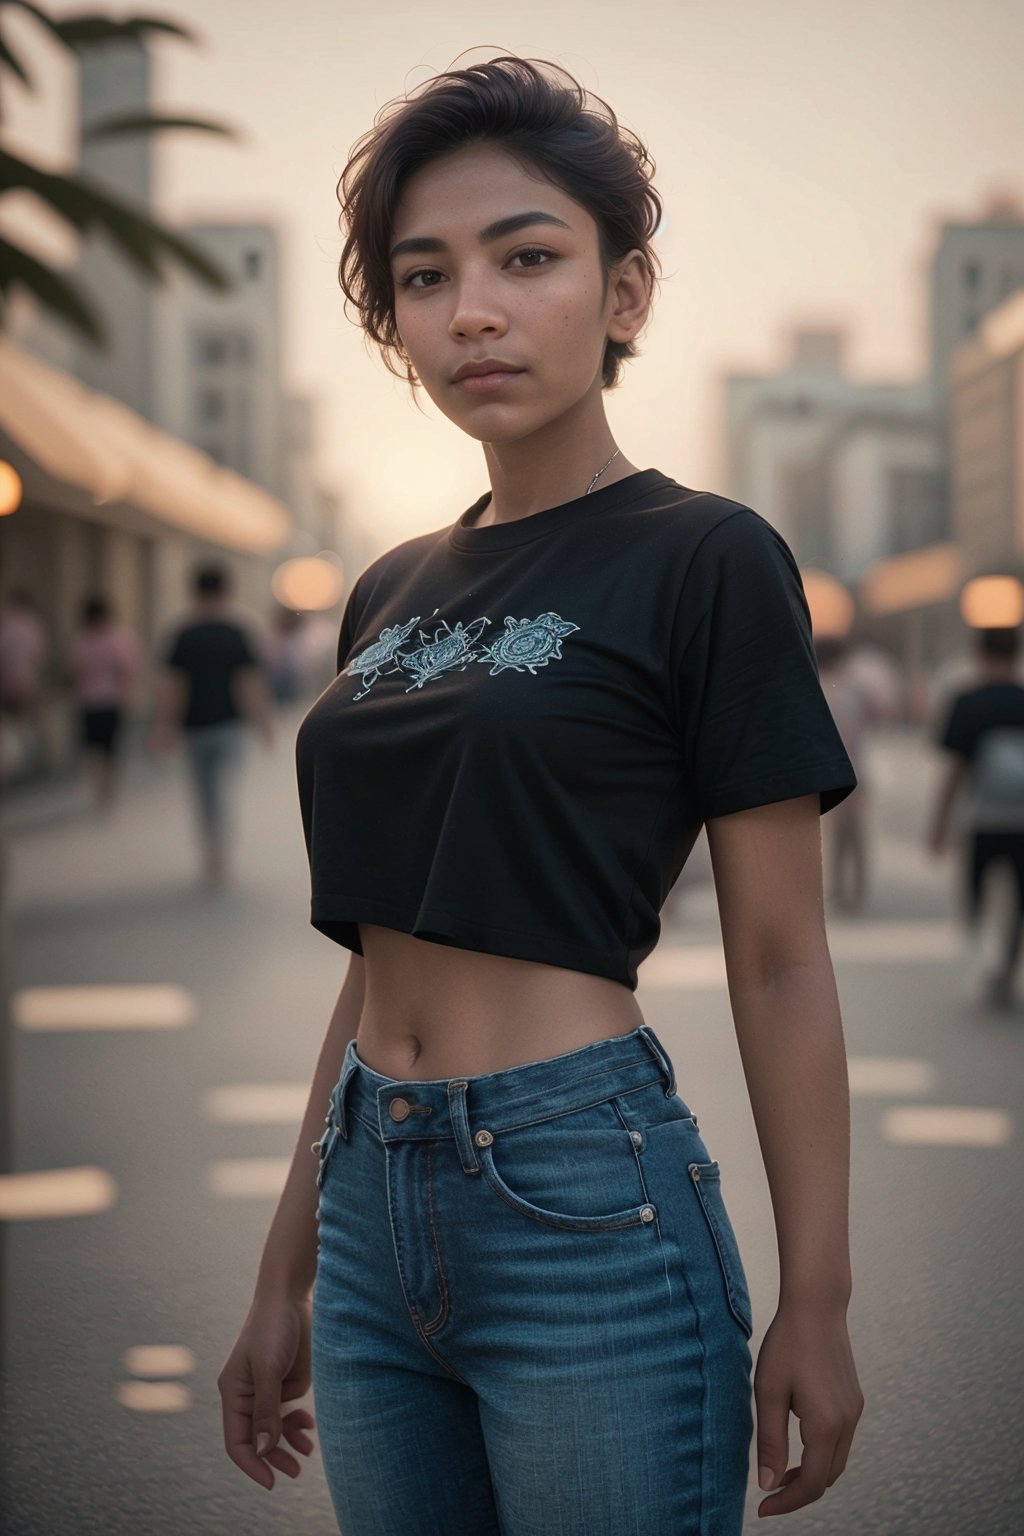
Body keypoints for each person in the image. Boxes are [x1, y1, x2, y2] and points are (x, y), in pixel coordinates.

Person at [217, 56, 864, 1533]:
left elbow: (778, 957)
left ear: (624, 293)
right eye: (425, 275)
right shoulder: (388, 588)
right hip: (374, 1200)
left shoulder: (707, 558)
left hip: (582, 1191)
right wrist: (286, 1268)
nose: (476, 311)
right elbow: (381, 947)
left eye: (528, 257)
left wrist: (817, 1300)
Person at [151, 562, 275, 887]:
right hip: (230, 725)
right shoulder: (237, 632)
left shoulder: (183, 634)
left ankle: (210, 853)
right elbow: (248, 683)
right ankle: (221, 853)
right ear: (225, 591)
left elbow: (174, 685)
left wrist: (163, 726)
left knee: (204, 792)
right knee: (223, 789)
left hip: (194, 727)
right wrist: (264, 725)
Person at [927, 624, 1024, 1009]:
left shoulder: (967, 702)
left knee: (975, 893)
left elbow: (954, 770)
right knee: (1020, 899)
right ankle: (1006, 968)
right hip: (1022, 822)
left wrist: (939, 824)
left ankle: (987, 958)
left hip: (983, 819)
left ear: (979, 653)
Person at [815, 635, 900, 913]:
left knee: (842, 834)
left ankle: (843, 889)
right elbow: (877, 717)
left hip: (832, 768)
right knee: (853, 835)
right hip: (855, 768)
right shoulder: (854, 686)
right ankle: (853, 891)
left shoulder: (822, 686)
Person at [65, 594, 141, 810]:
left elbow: (73, 672)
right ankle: (106, 791)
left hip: (89, 702)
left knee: (93, 749)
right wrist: (129, 697)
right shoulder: (119, 640)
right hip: (111, 702)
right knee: (109, 750)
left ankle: (101, 788)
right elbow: (127, 672)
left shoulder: (80, 642)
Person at [0, 587, 50, 778]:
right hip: (28, 679)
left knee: (10, 723)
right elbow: (39, 654)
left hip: (5, 680)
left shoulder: (4, 622)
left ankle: (12, 763)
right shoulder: (32, 624)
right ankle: (26, 763)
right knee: (27, 722)